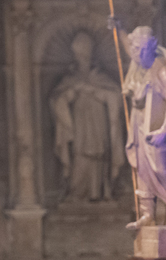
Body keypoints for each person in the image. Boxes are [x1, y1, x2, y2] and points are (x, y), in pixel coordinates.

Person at [49, 32, 125, 203]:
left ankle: (100, 191)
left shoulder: (101, 78)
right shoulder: (71, 79)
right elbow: (57, 100)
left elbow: (116, 98)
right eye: (79, 54)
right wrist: (72, 92)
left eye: (85, 53)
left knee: (100, 153)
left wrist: (95, 91)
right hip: (79, 123)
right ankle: (77, 192)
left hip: (99, 122)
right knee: (80, 154)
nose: (82, 57)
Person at [120, 25, 166, 228]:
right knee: (142, 169)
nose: (138, 55)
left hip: (157, 133)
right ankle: (147, 214)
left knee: (160, 170)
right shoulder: (139, 72)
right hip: (139, 128)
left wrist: (162, 132)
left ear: (151, 49)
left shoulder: (161, 72)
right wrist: (119, 28)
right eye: (136, 50)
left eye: (143, 50)